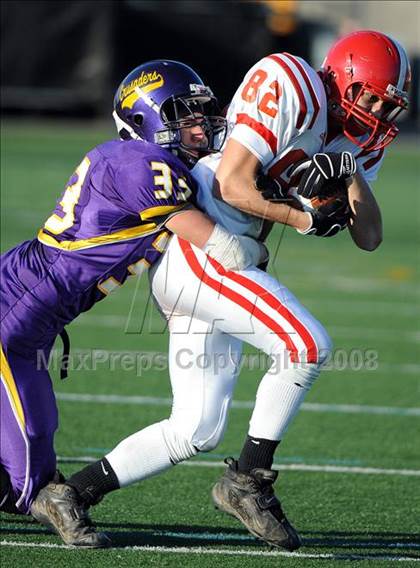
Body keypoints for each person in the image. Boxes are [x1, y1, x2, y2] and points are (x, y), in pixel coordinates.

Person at [30, 31, 411, 550]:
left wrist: (348, 173)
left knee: (197, 428)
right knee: (305, 344)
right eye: (372, 98)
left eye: (389, 107)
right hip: (206, 243)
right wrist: (302, 218)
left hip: (222, 258)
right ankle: (248, 481)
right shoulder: (292, 81)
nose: (379, 115)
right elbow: (233, 184)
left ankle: (72, 494)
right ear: (345, 78)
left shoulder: (354, 142)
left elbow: (370, 237)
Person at [0, 60, 268, 544]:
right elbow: (227, 249)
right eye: (185, 114)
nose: (199, 124)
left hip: (30, 320)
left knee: (36, 452)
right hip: (12, 318)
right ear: (147, 119)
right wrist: (284, 216)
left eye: (203, 112)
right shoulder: (140, 163)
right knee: (30, 480)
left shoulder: (142, 163)